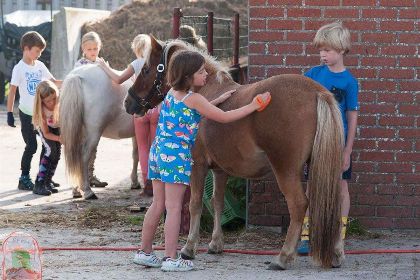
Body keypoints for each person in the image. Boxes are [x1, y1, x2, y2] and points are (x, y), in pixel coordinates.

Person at [132, 50, 271, 272]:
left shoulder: (171, 94)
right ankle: (170, 258)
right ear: (188, 76)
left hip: (158, 153)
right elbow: (224, 117)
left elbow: (193, 111)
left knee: (157, 204)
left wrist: (218, 100)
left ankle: (144, 252)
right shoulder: (195, 99)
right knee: (174, 207)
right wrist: (252, 106)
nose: (205, 73)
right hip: (176, 157)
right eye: (200, 71)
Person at [298, 22, 359, 254]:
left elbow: (352, 117)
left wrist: (347, 151)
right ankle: (306, 236)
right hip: (315, 143)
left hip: (337, 143)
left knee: (341, 189)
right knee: (311, 189)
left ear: (342, 49)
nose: (323, 54)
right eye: (320, 50)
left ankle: (338, 238)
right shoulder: (313, 75)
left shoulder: (349, 82)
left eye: (328, 50)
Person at [97, 34, 156, 196]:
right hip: (156, 109)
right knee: (155, 146)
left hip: (141, 110)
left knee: (142, 148)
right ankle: (159, 183)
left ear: (136, 49)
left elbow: (118, 79)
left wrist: (104, 66)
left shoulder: (137, 64)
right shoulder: (157, 65)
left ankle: (147, 185)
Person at [6, 31, 62, 191]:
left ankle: (43, 178)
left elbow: (54, 82)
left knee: (48, 147)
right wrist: (10, 113)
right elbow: (12, 91)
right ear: (26, 48)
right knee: (31, 147)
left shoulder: (40, 66)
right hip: (27, 115)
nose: (39, 54)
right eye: (37, 51)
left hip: (42, 115)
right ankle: (24, 178)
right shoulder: (19, 68)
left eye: (41, 52)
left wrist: (72, 80)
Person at [73, 31, 108, 188]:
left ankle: (90, 174)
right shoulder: (80, 65)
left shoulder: (101, 63)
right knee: (82, 146)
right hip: (83, 111)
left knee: (93, 145)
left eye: (95, 48)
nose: (93, 52)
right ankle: (77, 181)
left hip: (96, 112)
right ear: (83, 49)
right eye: (89, 49)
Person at [32, 81, 61, 196]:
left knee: (57, 153)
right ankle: (39, 184)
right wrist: (59, 138)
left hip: (55, 126)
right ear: (42, 101)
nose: (52, 102)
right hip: (45, 130)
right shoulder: (41, 111)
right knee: (50, 151)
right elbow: (47, 134)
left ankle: (48, 181)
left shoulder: (60, 102)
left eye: (54, 98)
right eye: (48, 101)